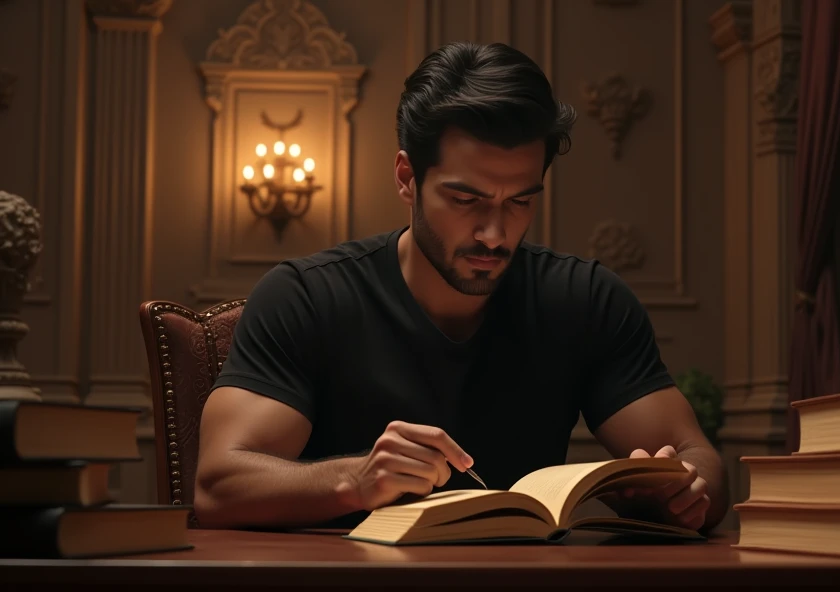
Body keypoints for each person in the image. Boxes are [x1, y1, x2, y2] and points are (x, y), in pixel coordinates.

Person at [194, 41, 727, 534]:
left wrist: (684, 489)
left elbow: (697, 458)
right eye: (466, 199)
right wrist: (356, 480)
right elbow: (218, 486)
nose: (494, 235)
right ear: (407, 177)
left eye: (519, 201)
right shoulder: (305, 296)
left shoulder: (586, 299)